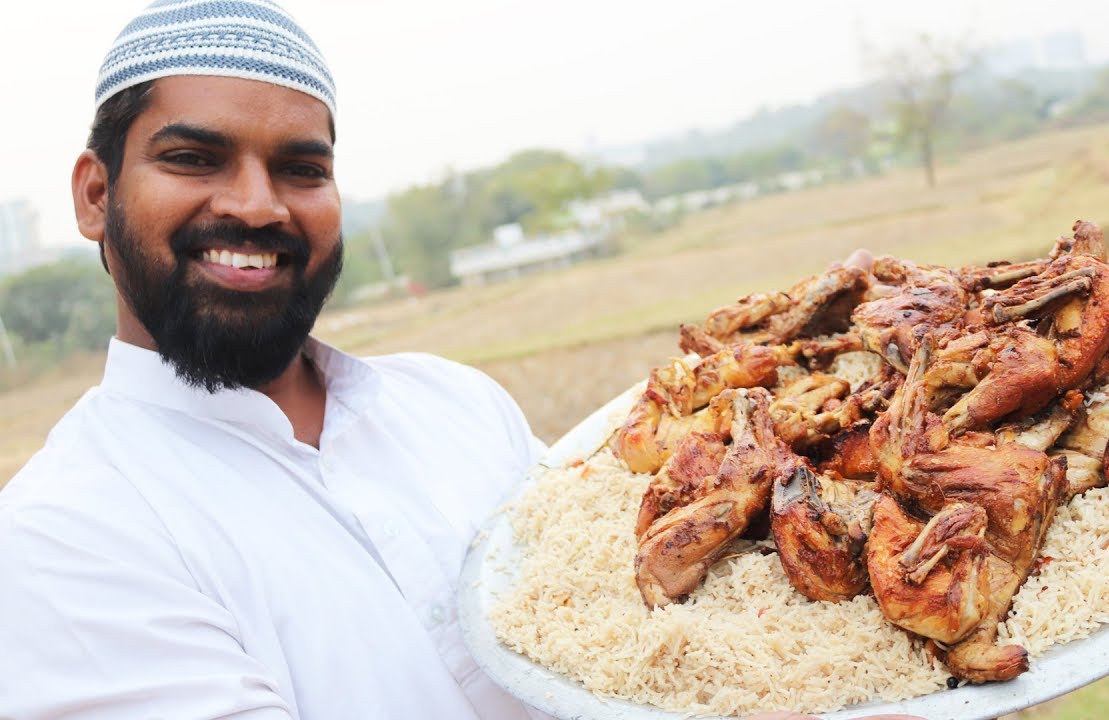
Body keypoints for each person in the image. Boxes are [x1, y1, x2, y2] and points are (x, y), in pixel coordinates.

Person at [0, 1, 922, 718]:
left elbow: (640, 641)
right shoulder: (64, 536)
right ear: (95, 195)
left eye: (301, 168)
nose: (258, 206)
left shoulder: (455, 405)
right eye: (194, 158)